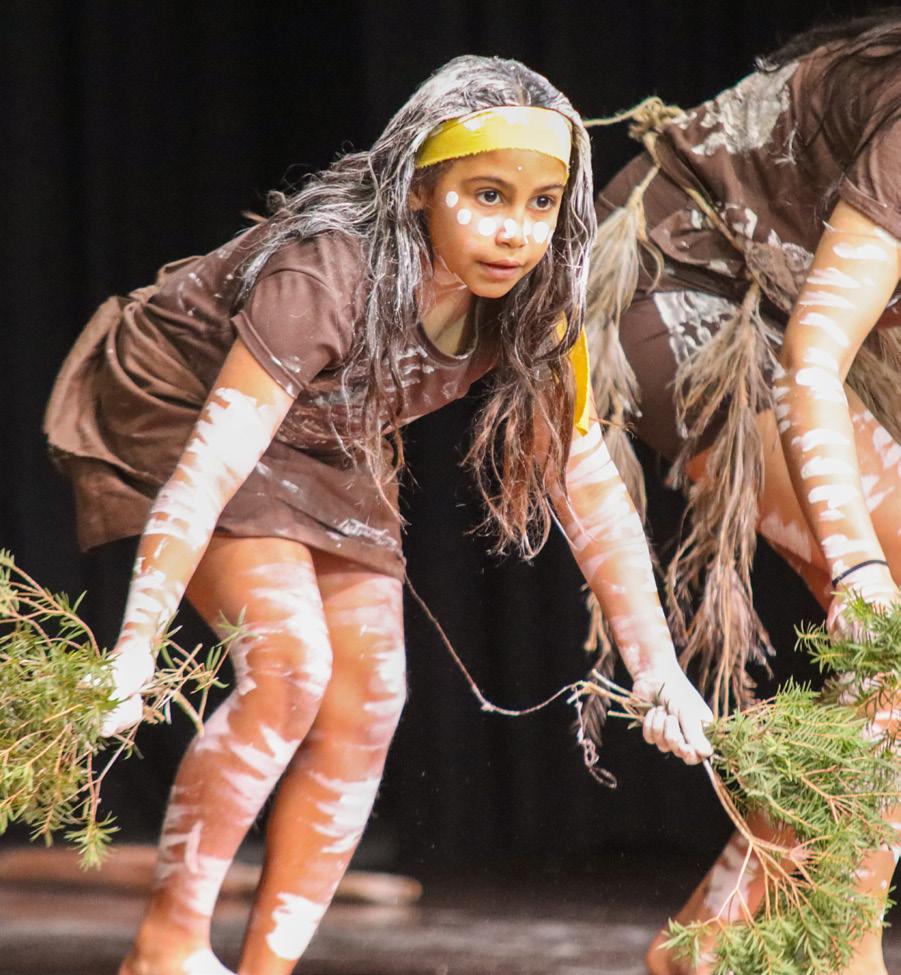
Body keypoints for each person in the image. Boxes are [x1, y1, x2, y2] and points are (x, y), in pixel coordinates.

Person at [45, 55, 713, 975]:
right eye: (486, 195)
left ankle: (267, 966)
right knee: (290, 664)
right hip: (180, 401)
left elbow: (586, 481)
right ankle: (166, 948)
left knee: (371, 696)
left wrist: (657, 670)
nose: (515, 231)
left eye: (541, 202)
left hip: (327, 428)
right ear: (417, 189)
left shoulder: (537, 299)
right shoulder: (328, 272)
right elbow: (210, 467)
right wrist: (134, 650)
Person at [585, 13, 900, 975]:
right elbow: (813, 353)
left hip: (781, 295)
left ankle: (715, 935)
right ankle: (837, 956)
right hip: (682, 276)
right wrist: (858, 567)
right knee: (893, 637)